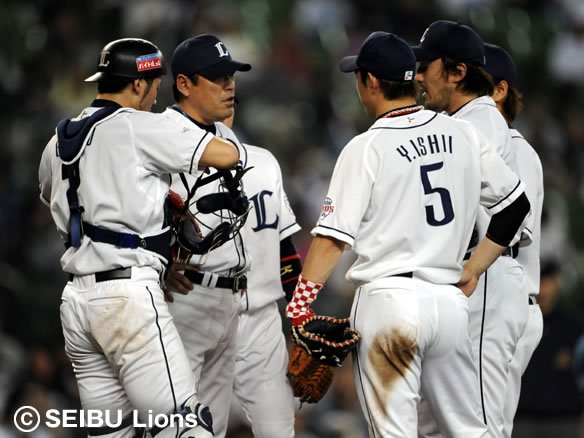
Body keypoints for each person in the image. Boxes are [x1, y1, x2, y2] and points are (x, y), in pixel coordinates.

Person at [284, 31, 530, 437]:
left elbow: (331, 240)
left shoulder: (366, 146)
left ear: (370, 81)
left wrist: (299, 307)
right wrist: (473, 268)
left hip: (390, 303)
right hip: (449, 307)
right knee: (471, 431)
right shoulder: (462, 133)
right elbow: (515, 206)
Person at [38, 38, 241, 437]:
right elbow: (226, 155)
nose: (155, 97)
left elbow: (50, 196)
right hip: (128, 297)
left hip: (76, 304)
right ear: (137, 84)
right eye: (154, 86)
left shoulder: (56, 141)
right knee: (181, 426)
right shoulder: (136, 125)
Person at [413, 21, 531, 437]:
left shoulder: (477, 122)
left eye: (426, 66)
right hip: (472, 284)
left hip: (484, 285)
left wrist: (474, 268)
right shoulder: (464, 121)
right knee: (437, 424)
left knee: (479, 425)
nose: (418, 76)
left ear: (458, 71)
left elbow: (512, 210)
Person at [162, 34, 252, 438]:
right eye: (218, 78)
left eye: (231, 76)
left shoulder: (226, 136)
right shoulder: (160, 135)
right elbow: (135, 211)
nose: (229, 86)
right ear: (184, 83)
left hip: (229, 298)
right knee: (177, 422)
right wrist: (159, 264)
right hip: (187, 297)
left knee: (213, 424)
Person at [223, 109, 302, 437]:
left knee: (279, 427)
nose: (226, 92)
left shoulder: (263, 161)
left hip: (262, 319)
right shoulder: (170, 160)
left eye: (229, 86)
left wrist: (302, 316)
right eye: (217, 84)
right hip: (200, 312)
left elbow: (286, 249)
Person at [483, 42, 545, 437]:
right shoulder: (489, 145)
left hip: (506, 305)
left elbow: (509, 231)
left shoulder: (515, 151)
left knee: (488, 427)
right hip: (497, 302)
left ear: (500, 91)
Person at [513, 259, 584, 438]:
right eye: (539, 282)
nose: (543, 289)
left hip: (563, 421)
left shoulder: (573, 327)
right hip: (521, 419)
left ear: (557, 283)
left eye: (547, 282)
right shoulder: (516, 322)